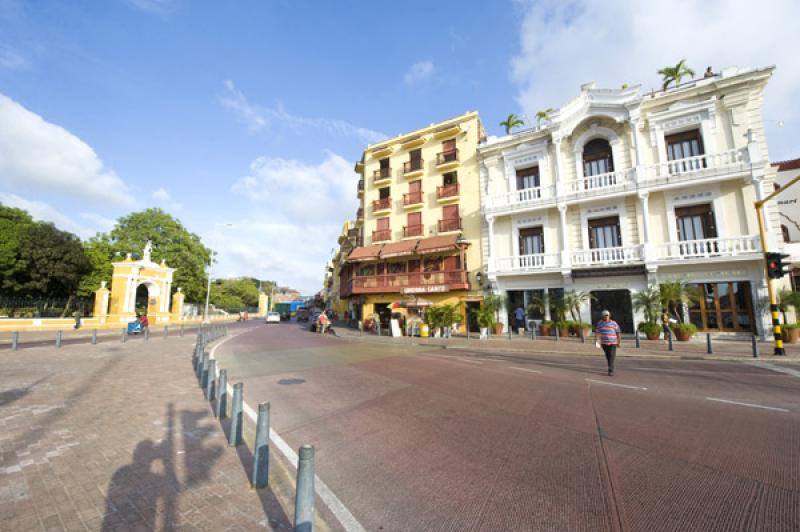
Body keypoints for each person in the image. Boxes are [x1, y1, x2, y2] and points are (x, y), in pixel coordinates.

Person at [595, 310, 621, 376]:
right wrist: (598, 342)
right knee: (608, 356)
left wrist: (619, 342)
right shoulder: (599, 323)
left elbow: (618, 332)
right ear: (602, 316)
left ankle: (610, 370)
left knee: (612, 355)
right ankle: (610, 365)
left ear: (609, 316)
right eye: (605, 315)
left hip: (613, 342)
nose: (606, 317)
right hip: (604, 343)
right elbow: (598, 333)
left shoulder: (614, 323)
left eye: (607, 315)